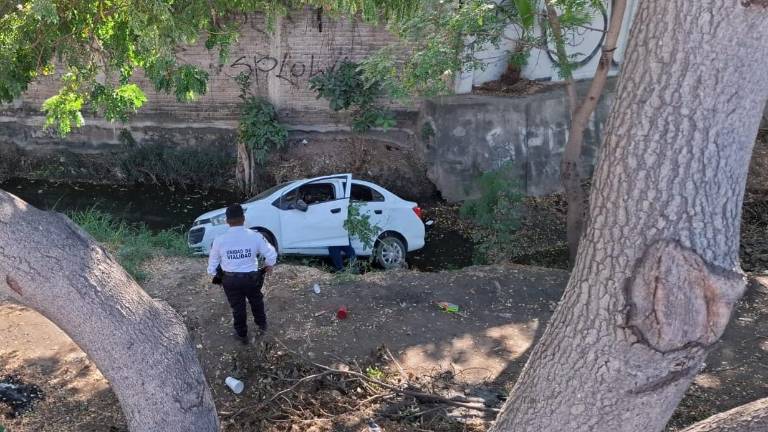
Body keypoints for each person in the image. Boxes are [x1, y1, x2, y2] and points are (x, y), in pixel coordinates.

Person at [207, 204, 277, 345]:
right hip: (252, 279)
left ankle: (241, 334)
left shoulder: (219, 240)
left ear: (227, 221)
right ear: (243, 219)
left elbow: (212, 265)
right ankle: (261, 326)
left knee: (237, 307)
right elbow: (271, 253)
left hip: (230, 280)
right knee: (256, 302)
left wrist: (217, 277)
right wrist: (269, 265)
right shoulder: (255, 236)